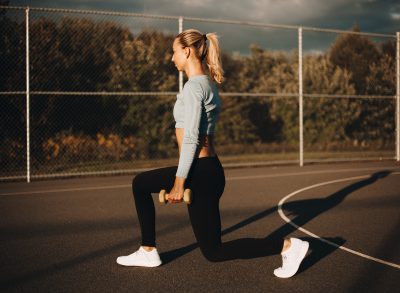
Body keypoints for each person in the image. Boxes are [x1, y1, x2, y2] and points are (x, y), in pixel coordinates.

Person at [116, 29, 309, 278]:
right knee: (214, 251)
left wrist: (179, 181)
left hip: (201, 172)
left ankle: (148, 250)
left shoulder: (195, 87)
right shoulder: (204, 83)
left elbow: (192, 138)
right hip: (208, 172)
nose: (171, 58)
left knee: (140, 184)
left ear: (186, 51)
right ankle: (289, 247)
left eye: (173, 52)